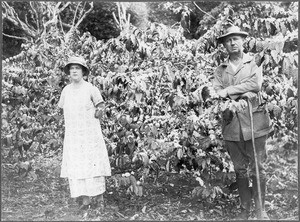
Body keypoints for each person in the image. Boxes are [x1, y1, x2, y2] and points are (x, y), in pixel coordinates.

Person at [213, 25, 272, 220]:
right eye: (228, 40)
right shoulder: (220, 70)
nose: (232, 43)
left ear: (243, 41)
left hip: (255, 122)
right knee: (239, 169)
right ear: (224, 45)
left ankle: (260, 209)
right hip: (231, 126)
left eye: (236, 39)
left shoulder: (254, 62)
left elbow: (255, 85)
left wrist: (229, 91)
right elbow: (216, 93)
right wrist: (240, 92)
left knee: (259, 168)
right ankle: (244, 209)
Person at [58, 56, 111, 210]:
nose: (74, 71)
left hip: (90, 135)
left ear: (83, 72)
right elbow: (61, 109)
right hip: (74, 136)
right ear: (69, 72)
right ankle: (85, 201)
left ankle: (99, 200)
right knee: (77, 165)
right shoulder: (66, 90)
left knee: (93, 164)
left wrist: (98, 112)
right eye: (72, 69)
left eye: (77, 68)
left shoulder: (91, 89)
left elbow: (101, 105)